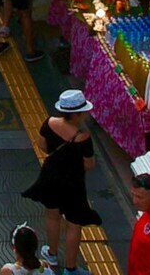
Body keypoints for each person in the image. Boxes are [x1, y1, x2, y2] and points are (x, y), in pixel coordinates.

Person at [21, 91, 101, 275]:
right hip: (73, 182)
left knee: (52, 215)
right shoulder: (83, 137)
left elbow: (42, 145)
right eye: (83, 111)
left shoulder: (49, 123)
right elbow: (89, 164)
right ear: (76, 114)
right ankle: (70, 269)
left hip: (51, 175)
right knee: (74, 223)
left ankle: (52, 254)